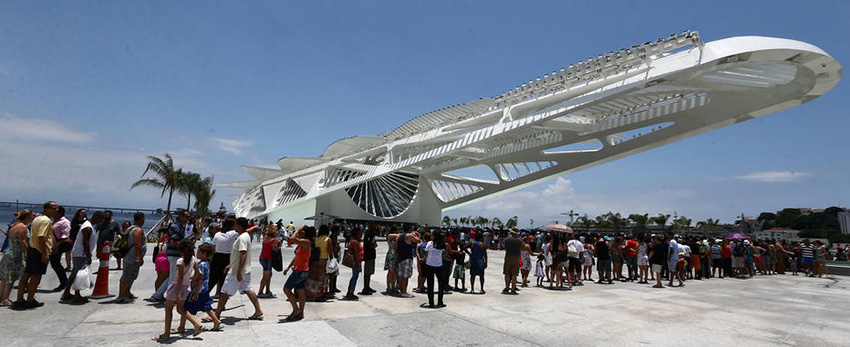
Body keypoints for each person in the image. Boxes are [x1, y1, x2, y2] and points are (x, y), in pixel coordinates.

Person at [152, 240, 204, 341]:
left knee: (168, 310)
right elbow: (198, 273)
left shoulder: (180, 261)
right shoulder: (193, 260)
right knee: (181, 309)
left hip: (176, 286)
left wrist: (178, 293)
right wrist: (191, 278)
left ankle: (166, 334)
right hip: (186, 286)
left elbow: (179, 277)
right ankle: (196, 324)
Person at [215, 217, 263, 321]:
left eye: (235, 224)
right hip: (242, 269)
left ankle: (216, 315)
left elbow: (243, 253)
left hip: (238, 270)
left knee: (224, 292)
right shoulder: (245, 236)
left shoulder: (242, 238)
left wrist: (238, 270)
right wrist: (230, 265)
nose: (233, 226)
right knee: (247, 288)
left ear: (239, 225)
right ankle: (258, 310)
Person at [13, 201, 59, 310]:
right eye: (54, 208)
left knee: (26, 275)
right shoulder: (46, 220)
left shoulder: (37, 218)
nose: (56, 210)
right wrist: (44, 254)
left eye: (56, 208)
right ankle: (30, 301)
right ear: (47, 209)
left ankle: (19, 300)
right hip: (39, 251)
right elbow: (41, 237)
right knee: (35, 277)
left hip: (32, 249)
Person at [183, 243, 222, 332]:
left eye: (199, 252)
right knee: (206, 306)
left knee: (184, 307)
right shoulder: (207, 264)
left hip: (198, 290)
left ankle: (194, 325)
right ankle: (216, 320)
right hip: (205, 289)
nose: (197, 253)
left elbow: (198, 278)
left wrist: (194, 290)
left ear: (204, 254)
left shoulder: (200, 265)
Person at [149, 211, 188, 302]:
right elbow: (173, 242)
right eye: (186, 217)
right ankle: (168, 297)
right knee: (173, 278)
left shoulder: (180, 227)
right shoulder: (176, 227)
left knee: (172, 276)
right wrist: (184, 245)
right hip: (174, 254)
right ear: (181, 216)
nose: (188, 219)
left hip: (176, 254)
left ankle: (157, 295)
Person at [0, 210, 34, 306]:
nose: (33, 217)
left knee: (4, 277)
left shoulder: (15, 225)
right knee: (12, 277)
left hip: (8, 252)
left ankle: (1, 297)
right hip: (15, 254)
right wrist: (28, 251)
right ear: (27, 217)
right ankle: (5, 298)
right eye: (32, 216)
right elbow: (23, 241)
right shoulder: (23, 227)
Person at [283, 226, 313, 322]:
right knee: (300, 291)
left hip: (299, 271)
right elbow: (297, 257)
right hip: (303, 270)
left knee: (287, 289)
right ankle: (301, 312)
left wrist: (298, 230)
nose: (299, 233)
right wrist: (288, 267)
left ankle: (296, 310)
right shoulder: (302, 243)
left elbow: (291, 239)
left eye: (301, 232)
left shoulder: (306, 242)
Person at [117, 212, 146, 303]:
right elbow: (137, 245)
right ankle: (121, 295)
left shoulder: (130, 228)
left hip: (129, 256)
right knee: (126, 277)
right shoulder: (137, 230)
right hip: (132, 257)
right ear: (141, 219)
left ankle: (127, 292)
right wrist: (140, 257)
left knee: (131, 276)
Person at [210, 219, 238, 298]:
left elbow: (213, 248)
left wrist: (212, 260)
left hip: (217, 256)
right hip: (227, 257)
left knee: (212, 279)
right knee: (223, 279)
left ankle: (203, 297)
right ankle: (221, 299)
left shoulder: (217, 234)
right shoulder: (234, 234)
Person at [305, 225, 332, 300]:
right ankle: (320, 294)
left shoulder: (316, 239)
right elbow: (330, 251)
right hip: (324, 260)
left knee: (314, 278)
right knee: (322, 278)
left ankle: (313, 293)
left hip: (316, 260)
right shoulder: (328, 239)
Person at [421, 230, 446, 308]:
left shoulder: (429, 243)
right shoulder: (442, 244)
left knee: (430, 284)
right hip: (439, 265)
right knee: (441, 284)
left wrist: (423, 260)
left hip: (430, 265)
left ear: (434, 236)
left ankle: (431, 302)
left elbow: (426, 254)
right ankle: (440, 302)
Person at [49, 206, 71, 291]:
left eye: (55, 211)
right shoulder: (54, 221)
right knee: (55, 264)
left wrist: (56, 246)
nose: (53, 213)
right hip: (53, 245)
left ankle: (64, 282)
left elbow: (65, 236)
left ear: (60, 213)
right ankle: (64, 281)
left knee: (56, 264)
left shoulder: (64, 222)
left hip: (57, 246)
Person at [395, 225, 420, 298]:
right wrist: (414, 234)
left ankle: (401, 291)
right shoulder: (409, 236)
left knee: (400, 276)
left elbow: (395, 247)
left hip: (400, 258)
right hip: (407, 258)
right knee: (405, 277)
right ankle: (404, 292)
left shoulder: (399, 236)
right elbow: (418, 240)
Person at [257, 225, 280, 298]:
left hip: (262, 257)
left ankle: (267, 290)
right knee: (266, 276)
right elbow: (275, 250)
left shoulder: (265, 237)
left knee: (269, 275)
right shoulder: (274, 240)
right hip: (268, 259)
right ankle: (260, 292)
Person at [344, 227, 362, 300]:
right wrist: (359, 265)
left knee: (354, 277)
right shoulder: (355, 242)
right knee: (355, 277)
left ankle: (350, 291)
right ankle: (351, 292)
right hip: (355, 262)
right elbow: (357, 254)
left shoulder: (353, 241)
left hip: (355, 261)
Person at [359, 225, 378, 295]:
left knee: (370, 272)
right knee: (367, 272)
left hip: (372, 255)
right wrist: (374, 244)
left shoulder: (372, 235)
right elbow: (371, 245)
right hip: (368, 256)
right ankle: (365, 288)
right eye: (374, 229)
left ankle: (368, 286)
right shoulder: (368, 234)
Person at [384, 226, 399, 294]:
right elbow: (390, 236)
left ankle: (393, 286)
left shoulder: (396, 238)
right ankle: (388, 287)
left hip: (396, 255)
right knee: (390, 272)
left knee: (395, 272)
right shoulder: (390, 236)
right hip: (391, 255)